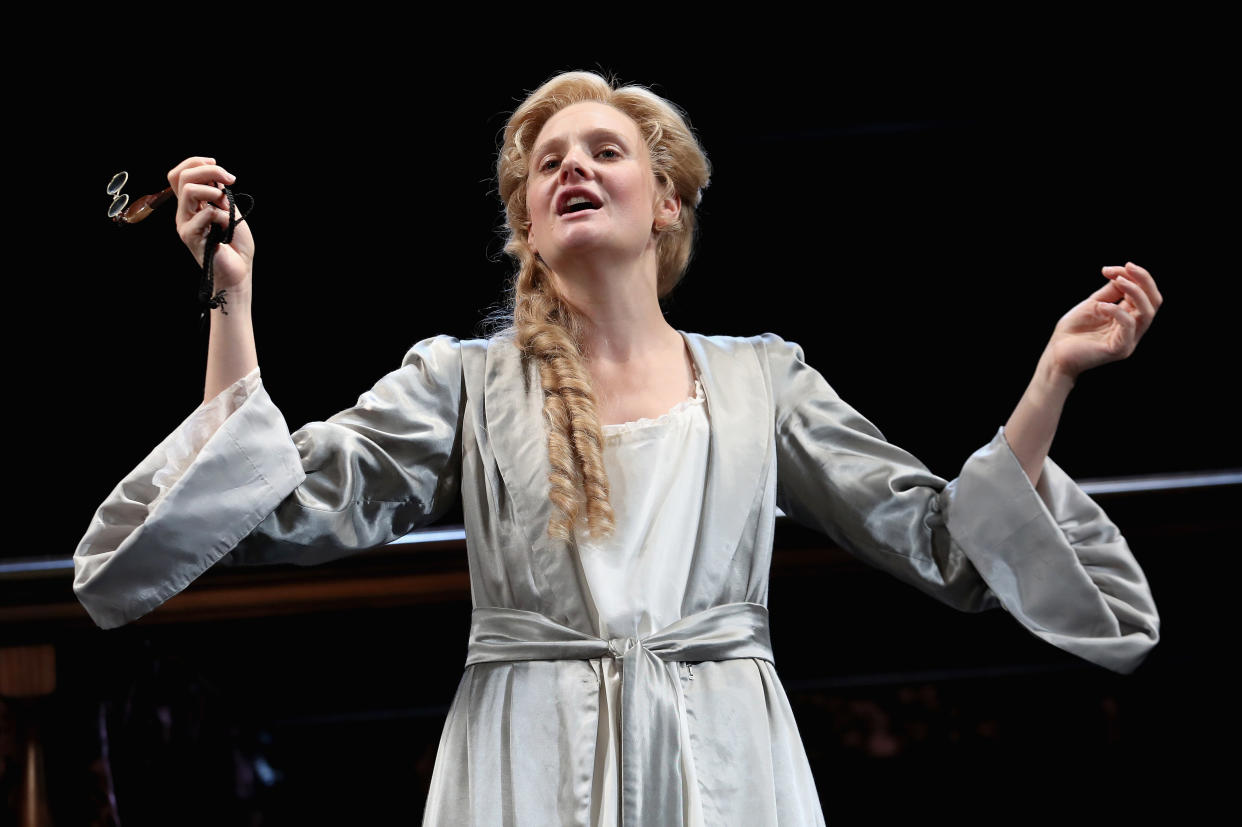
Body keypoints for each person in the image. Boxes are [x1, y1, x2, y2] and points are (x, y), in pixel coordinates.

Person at [74, 71, 1162, 826]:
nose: (574, 170)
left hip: (725, 757)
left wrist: (1051, 378)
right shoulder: (464, 379)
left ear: (668, 203)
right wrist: (231, 301)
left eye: (605, 150)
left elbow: (947, 543)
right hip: (527, 752)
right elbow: (270, 504)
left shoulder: (760, 376)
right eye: (548, 163)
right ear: (527, 227)